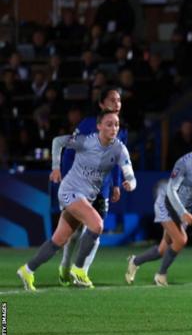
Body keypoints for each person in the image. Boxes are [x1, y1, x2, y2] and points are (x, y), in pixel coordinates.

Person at [17, 110, 136, 291]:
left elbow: (131, 177)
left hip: (85, 198)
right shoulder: (86, 141)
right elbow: (58, 142)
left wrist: (130, 184)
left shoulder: (119, 149)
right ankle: (79, 269)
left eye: (117, 125)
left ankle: (27, 270)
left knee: (58, 241)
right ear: (99, 126)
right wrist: (56, 167)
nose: (114, 128)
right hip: (70, 191)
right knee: (97, 225)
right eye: (109, 124)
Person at [125, 131, 192, 286]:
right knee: (181, 240)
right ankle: (160, 275)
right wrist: (183, 212)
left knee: (162, 250)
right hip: (167, 203)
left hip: (183, 210)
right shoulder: (184, 163)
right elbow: (171, 190)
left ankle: (135, 261)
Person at [57, 86, 128, 288]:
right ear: (101, 104)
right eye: (112, 100)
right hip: (78, 185)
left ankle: (81, 272)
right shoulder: (87, 124)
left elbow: (117, 158)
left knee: (96, 228)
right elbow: (69, 152)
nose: (117, 103)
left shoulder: (121, 130)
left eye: (119, 100)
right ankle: (64, 265)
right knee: (74, 231)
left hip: (102, 187)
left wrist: (116, 184)